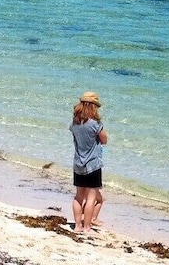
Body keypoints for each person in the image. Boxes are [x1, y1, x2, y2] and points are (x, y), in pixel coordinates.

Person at [69, 92, 109, 234]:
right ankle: (87, 227)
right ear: (93, 107)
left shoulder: (74, 123)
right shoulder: (96, 124)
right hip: (93, 164)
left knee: (78, 197)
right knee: (91, 198)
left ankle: (77, 226)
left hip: (78, 163)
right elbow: (104, 140)